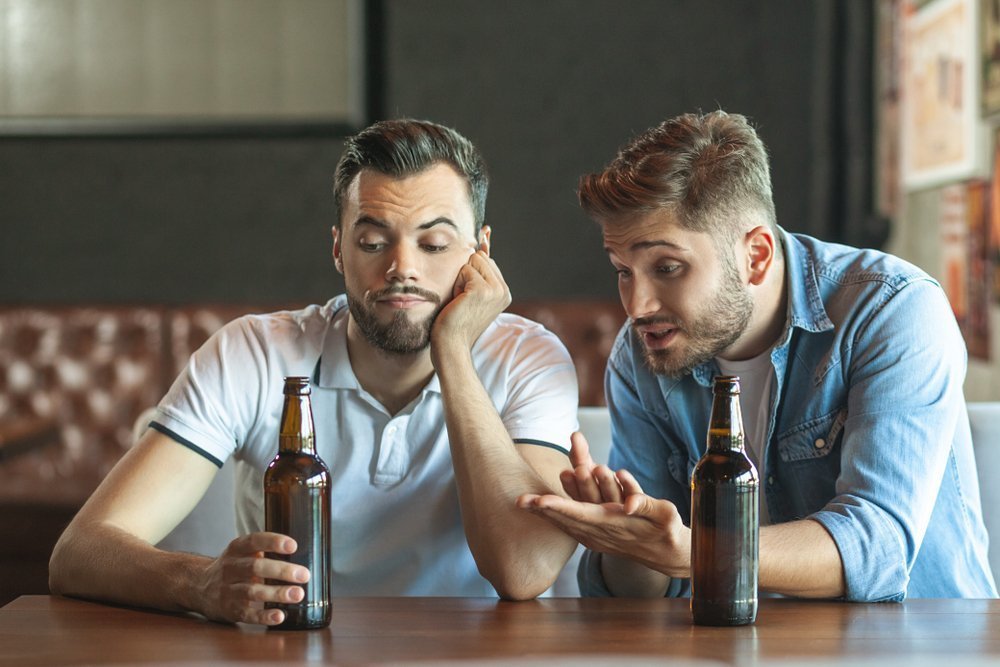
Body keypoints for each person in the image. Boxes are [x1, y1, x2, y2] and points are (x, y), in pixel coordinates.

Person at [50, 119, 580, 625]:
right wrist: (200, 581)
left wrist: (454, 352)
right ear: (337, 250)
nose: (403, 268)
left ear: (481, 252)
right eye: (373, 242)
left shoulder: (528, 359)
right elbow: (80, 552)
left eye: (434, 244)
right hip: (294, 645)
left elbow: (523, 570)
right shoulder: (254, 352)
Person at [518, 110, 998, 601]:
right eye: (623, 270)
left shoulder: (893, 309)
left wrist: (696, 550)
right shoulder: (640, 353)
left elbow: (878, 550)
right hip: (734, 644)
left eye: (667, 267)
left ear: (756, 255)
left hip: (920, 644)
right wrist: (621, 540)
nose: (637, 306)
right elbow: (645, 590)